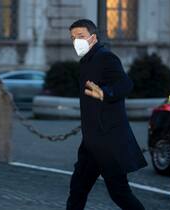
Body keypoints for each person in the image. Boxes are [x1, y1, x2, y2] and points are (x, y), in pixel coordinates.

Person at [66, 19, 147, 210]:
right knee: (78, 188)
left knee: (119, 192)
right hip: (92, 141)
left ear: (93, 38)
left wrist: (105, 93)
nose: (76, 41)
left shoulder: (105, 57)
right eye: (72, 38)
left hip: (109, 141)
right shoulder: (87, 61)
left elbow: (125, 84)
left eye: (81, 36)